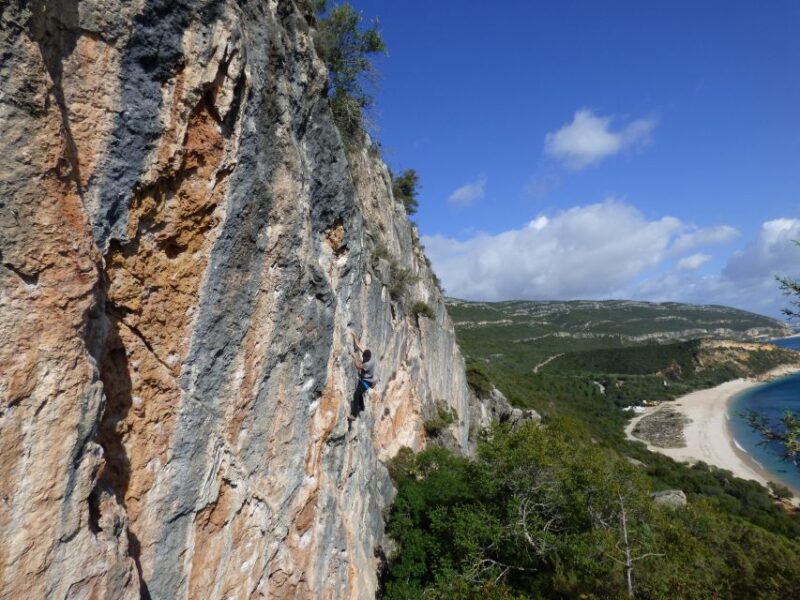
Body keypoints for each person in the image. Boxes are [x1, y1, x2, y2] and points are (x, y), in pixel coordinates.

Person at [348, 331, 377, 424]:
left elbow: (357, 366)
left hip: (367, 382)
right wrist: (354, 336)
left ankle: (354, 415)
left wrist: (354, 356)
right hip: (365, 379)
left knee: (356, 394)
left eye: (364, 359)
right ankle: (362, 406)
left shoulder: (367, 364)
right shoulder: (369, 355)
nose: (363, 359)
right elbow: (359, 345)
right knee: (359, 392)